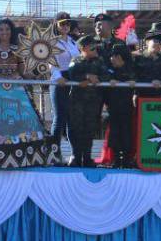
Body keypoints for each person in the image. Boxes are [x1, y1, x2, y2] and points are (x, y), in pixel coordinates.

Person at [0, 18, 60, 169]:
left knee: (25, 121)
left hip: (17, 89)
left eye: (7, 29)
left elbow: (23, 72)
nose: (4, 32)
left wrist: (38, 70)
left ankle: (27, 156)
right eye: (1, 29)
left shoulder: (18, 48)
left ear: (11, 31)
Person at [94, 13, 136, 167]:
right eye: (96, 25)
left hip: (117, 90)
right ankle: (83, 155)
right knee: (91, 123)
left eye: (101, 24)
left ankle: (122, 157)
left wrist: (120, 68)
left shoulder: (120, 45)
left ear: (110, 26)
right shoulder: (91, 44)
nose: (98, 27)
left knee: (121, 122)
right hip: (97, 90)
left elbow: (131, 69)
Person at [59, 36, 108, 168]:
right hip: (77, 102)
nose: (95, 49)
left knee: (90, 129)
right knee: (75, 128)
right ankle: (75, 156)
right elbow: (71, 74)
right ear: (83, 48)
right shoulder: (76, 61)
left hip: (94, 102)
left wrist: (96, 78)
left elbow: (107, 75)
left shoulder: (99, 61)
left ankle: (87, 157)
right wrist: (86, 76)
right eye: (92, 47)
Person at [49, 11, 80, 146]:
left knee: (71, 118)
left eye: (68, 23)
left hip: (72, 79)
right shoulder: (52, 43)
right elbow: (50, 62)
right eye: (62, 23)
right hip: (58, 80)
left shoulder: (73, 42)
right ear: (56, 25)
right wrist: (58, 77)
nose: (66, 26)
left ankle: (74, 153)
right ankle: (54, 151)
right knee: (59, 117)